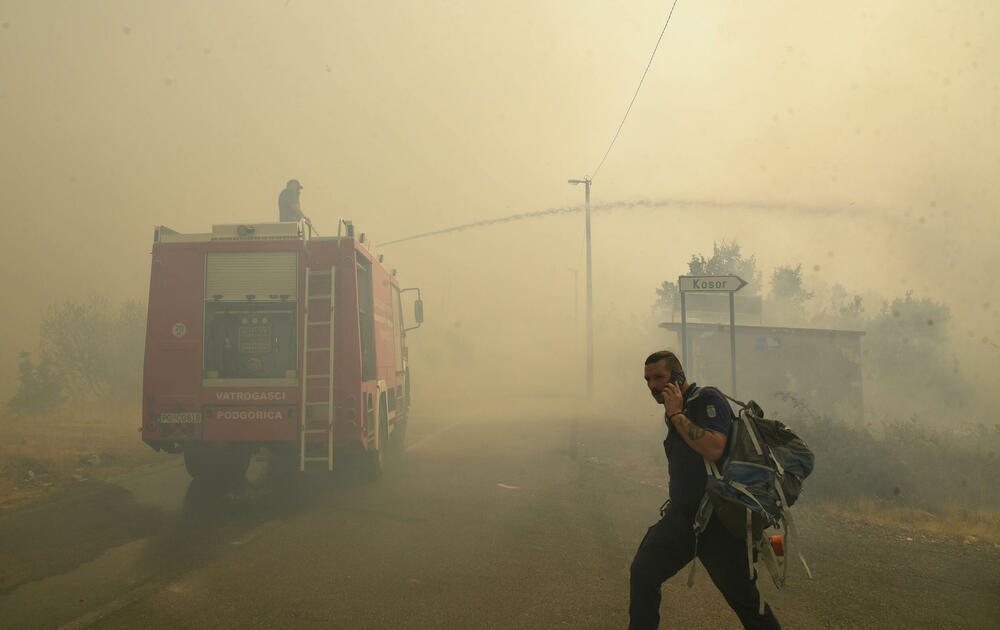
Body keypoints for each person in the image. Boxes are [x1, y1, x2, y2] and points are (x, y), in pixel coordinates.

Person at [629, 350, 781, 630]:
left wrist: (676, 413)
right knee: (643, 572)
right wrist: (674, 414)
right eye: (647, 379)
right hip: (682, 521)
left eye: (659, 377)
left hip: (718, 524)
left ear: (678, 376)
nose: (652, 386)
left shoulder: (707, 400)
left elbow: (714, 447)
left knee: (747, 603)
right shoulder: (675, 411)